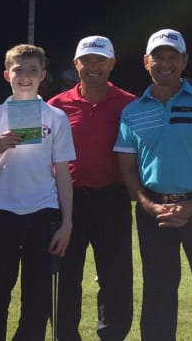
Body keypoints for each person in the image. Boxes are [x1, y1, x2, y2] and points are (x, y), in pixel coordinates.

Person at [115, 29, 192, 341]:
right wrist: (148, 204)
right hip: (154, 213)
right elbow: (127, 168)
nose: (165, 64)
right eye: (158, 57)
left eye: (173, 57)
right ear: (146, 62)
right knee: (158, 292)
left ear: (184, 61)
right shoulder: (132, 112)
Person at [0, 44, 75, 341]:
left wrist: (67, 223)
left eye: (33, 70)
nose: (25, 76)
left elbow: (63, 174)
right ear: (7, 75)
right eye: (18, 70)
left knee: (37, 295)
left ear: (43, 75)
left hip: (42, 212)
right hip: (2, 212)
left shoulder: (56, 117)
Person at [47, 36, 135, 341]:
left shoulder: (129, 104)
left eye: (100, 61)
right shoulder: (56, 106)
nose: (93, 67)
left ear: (112, 64)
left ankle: (112, 335)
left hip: (113, 198)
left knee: (115, 276)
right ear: (76, 64)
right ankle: (65, 335)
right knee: (65, 274)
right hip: (67, 201)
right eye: (86, 60)